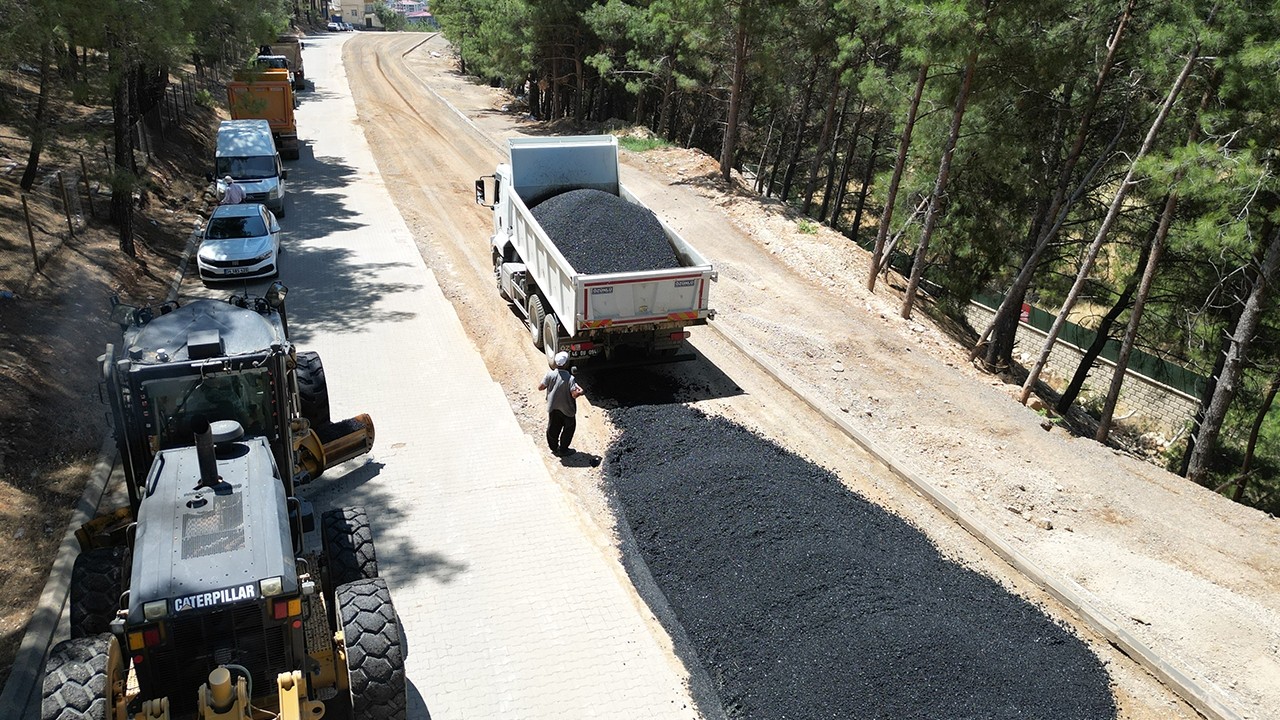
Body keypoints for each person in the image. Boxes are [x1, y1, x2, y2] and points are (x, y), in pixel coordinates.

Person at [538, 351, 584, 456]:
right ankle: (564, 449)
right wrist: (580, 392)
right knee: (568, 429)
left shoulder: (550, 374)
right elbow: (574, 395)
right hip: (567, 410)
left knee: (553, 428)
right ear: (566, 364)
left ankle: (554, 448)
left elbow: (540, 387)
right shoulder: (570, 378)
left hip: (553, 407)